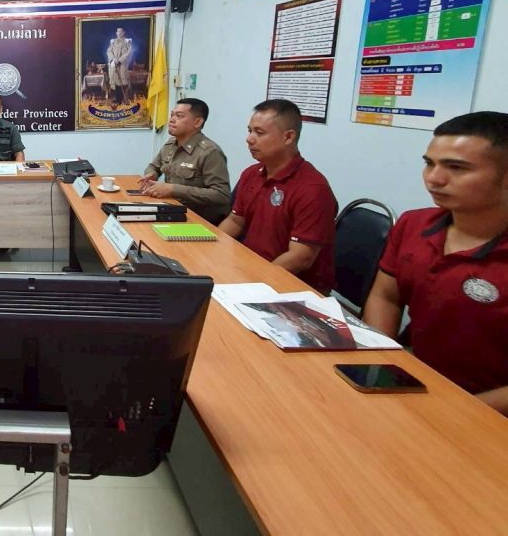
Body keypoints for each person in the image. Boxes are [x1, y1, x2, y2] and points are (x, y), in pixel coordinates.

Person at [363, 111, 508, 415]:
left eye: (456, 167)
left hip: (485, 412)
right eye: (430, 163)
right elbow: (386, 296)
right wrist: (382, 359)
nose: (434, 178)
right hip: (416, 383)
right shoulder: (413, 224)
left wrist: (455, 411)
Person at [219, 99, 337, 293]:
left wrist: (254, 284)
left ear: (288, 137)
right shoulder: (252, 173)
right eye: (249, 131)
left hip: (292, 287)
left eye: (259, 133)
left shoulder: (313, 189)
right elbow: (235, 221)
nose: (249, 139)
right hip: (248, 268)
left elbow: (300, 258)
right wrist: (212, 250)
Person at [139, 98, 231, 224]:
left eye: (179, 116)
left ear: (197, 122)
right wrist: (151, 174)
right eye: (172, 115)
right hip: (172, 211)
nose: (172, 120)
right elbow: (154, 166)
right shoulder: (171, 144)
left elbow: (221, 195)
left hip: (199, 221)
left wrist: (173, 189)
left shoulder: (209, 152)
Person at [106, 27, 131, 105]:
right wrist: (113, 59)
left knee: (123, 81)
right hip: (114, 64)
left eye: (121, 31)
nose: (119, 33)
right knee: (116, 81)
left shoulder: (127, 41)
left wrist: (120, 60)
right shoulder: (113, 42)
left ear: (124, 32)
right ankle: (118, 99)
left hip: (122, 64)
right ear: (116, 33)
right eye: (118, 31)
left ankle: (124, 98)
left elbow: (129, 52)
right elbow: (109, 51)